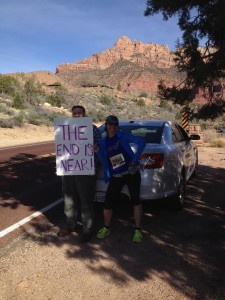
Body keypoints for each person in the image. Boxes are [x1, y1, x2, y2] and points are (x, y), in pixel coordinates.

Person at [96, 115, 146, 242]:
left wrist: (134, 159)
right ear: (106, 125)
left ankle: (138, 230)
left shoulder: (122, 136)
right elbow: (104, 161)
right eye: (109, 124)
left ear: (117, 126)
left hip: (131, 173)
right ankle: (106, 228)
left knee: (135, 200)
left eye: (114, 125)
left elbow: (141, 143)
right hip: (117, 175)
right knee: (107, 203)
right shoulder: (103, 142)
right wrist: (97, 152)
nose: (112, 127)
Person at [57, 105, 101, 243]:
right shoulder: (64, 128)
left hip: (85, 170)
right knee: (69, 199)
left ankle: (87, 229)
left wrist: (96, 149)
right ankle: (70, 226)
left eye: (79, 113)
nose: (76, 115)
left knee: (86, 200)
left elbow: (100, 148)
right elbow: (61, 146)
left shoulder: (92, 129)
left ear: (84, 114)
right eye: (74, 113)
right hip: (69, 169)